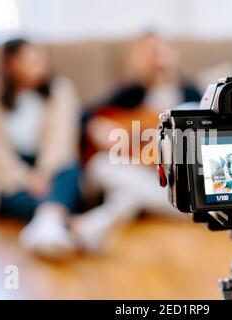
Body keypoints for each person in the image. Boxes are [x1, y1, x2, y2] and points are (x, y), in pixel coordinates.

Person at [74, 33, 202, 252]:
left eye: (160, 51)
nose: (156, 59)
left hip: (176, 177)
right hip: (137, 171)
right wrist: (101, 130)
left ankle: (96, 224)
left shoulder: (191, 92)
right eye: (148, 54)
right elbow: (87, 118)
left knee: (130, 193)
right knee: (102, 164)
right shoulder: (131, 93)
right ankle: (186, 209)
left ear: (173, 55)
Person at [0, 38, 81, 259]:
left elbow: (61, 142)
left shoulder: (61, 92)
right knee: (7, 194)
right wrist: (28, 179)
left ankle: (45, 226)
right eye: (33, 58)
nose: (42, 63)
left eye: (43, 57)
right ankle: (67, 224)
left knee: (69, 171)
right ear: (11, 65)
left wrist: (44, 173)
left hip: (52, 168)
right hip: (14, 176)